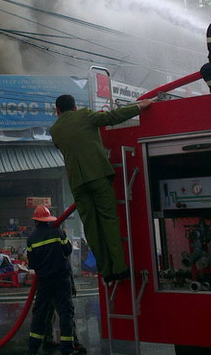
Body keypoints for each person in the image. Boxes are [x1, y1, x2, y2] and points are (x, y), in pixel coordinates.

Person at [50, 93, 152, 284]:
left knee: (91, 228)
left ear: (57, 111)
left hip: (77, 183)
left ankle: (106, 271)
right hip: (98, 176)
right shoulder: (85, 115)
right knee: (109, 221)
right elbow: (112, 117)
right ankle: (120, 268)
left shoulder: (54, 130)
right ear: (75, 108)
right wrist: (139, 106)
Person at [26, 205, 75, 355]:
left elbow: (32, 264)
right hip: (62, 280)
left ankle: (33, 348)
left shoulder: (31, 239)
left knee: (40, 314)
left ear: (36, 222)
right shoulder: (58, 233)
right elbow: (68, 250)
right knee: (65, 313)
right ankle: (67, 347)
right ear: (48, 220)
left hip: (45, 282)